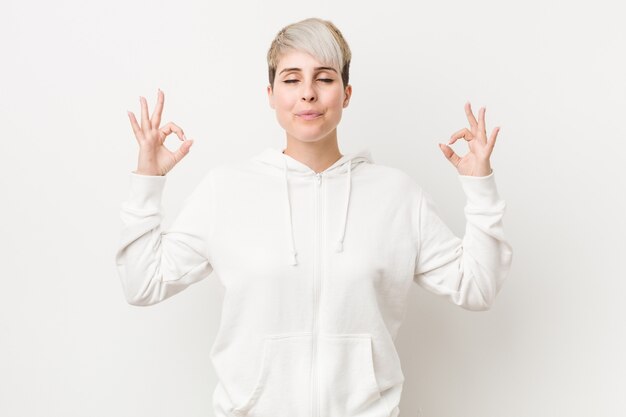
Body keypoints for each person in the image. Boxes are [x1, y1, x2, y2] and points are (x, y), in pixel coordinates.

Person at [115, 17, 513, 417]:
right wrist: (147, 179)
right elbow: (142, 283)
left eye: (324, 78)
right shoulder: (226, 191)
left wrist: (480, 188)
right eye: (291, 79)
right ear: (270, 94)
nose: (307, 94)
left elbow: (477, 287)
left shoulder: (396, 195)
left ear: (346, 93)